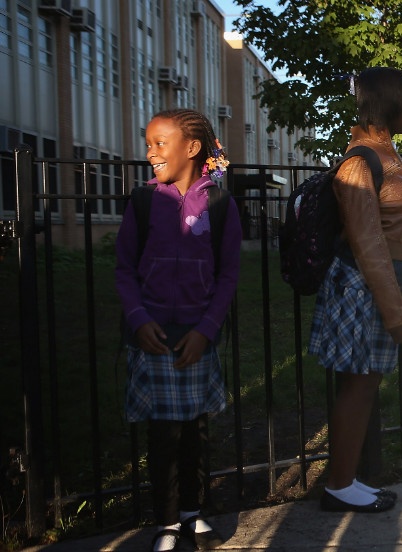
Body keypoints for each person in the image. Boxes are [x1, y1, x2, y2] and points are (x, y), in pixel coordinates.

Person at [115, 109, 241, 552]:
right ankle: (167, 521)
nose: (150, 153)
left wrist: (207, 329)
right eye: (147, 143)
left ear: (191, 148)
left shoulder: (220, 204)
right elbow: (124, 269)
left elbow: (228, 275)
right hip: (152, 335)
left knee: (194, 429)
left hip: (195, 336)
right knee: (162, 433)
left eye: (159, 143)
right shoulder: (144, 201)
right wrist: (138, 319)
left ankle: (193, 512)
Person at [308, 67, 402, 513]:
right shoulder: (360, 161)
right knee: (358, 386)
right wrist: (395, 310)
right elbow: (368, 241)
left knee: (365, 385)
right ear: (389, 103)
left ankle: (347, 479)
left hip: (377, 283)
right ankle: (338, 485)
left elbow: (395, 237)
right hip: (361, 285)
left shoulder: (385, 153)